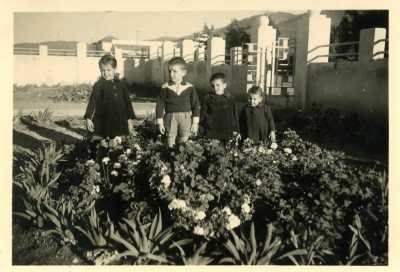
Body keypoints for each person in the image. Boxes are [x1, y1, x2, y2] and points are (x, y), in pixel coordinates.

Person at [84, 54, 136, 139]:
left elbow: (127, 103)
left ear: (114, 69)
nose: (105, 73)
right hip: (103, 120)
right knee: (103, 142)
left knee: (119, 142)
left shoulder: (121, 84)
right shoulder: (99, 85)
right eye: (102, 70)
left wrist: (129, 121)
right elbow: (92, 101)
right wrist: (88, 118)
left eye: (109, 70)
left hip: (120, 119)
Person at [156, 57, 201, 147]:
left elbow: (196, 105)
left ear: (183, 73)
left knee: (184, 138)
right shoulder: (165, 87)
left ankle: (181, 157)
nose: (171, 74)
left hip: (185, 117)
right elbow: (160, 105)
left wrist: (195, 122)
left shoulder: (189, 87)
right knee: (170, 137)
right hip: (170, 117)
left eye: (174, 71)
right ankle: (169, 155)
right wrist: (160, 122)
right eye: (170, 71)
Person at [200, 72, 239, 142]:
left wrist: (236, 130)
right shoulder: (207, 98)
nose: (215, 88)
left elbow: (234, 116)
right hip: (211, 131)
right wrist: (201, 129)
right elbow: (203, 115)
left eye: (218, 85)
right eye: (213, 86)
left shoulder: (230, 98)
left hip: (226, 131)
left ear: (224, 85)